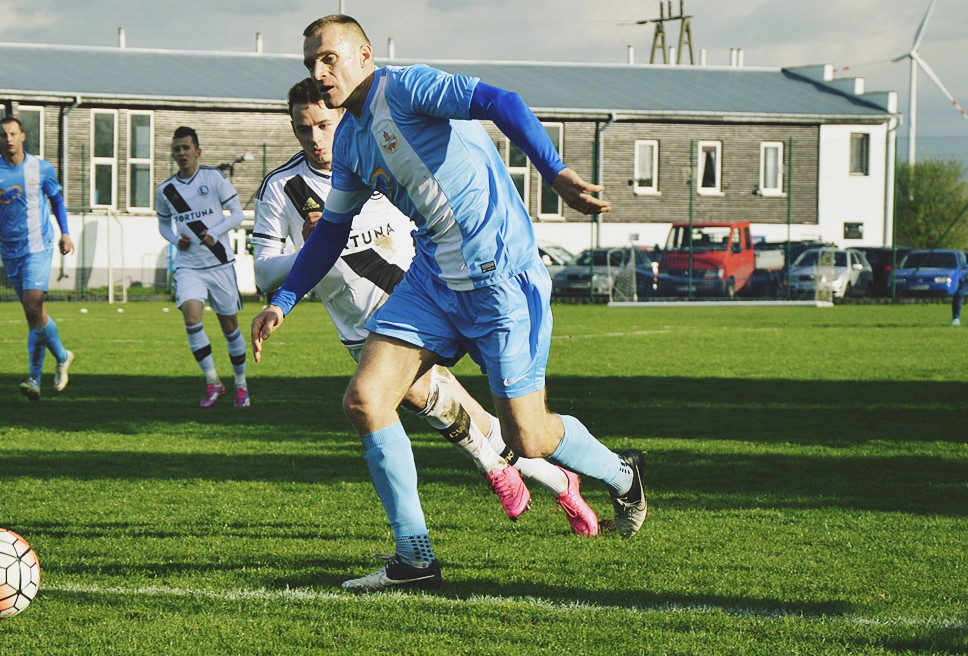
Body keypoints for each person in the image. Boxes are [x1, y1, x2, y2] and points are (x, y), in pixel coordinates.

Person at [252, 15, 648, 592]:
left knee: (528, 439)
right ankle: (415, 559)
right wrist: (283, 300)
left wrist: (554, 169)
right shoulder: (355, 142)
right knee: (366, 399)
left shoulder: (406, 88)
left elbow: (498, 100)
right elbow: (331, 232)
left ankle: (622, 475)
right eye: (311, 62)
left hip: (501, 283)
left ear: (364, 54)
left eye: (329, 58)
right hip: (434, 281)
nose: (320, 71)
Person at [252, 78, 598, 535]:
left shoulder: (377, 162)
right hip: (358, 327)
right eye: (303, 129)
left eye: (323, 125)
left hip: (414, 311)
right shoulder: (283, 187)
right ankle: (552, 478)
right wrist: (307, 254)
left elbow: (431, 228)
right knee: (464, 416)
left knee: (449, 410)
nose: (315, 139)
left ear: (342, 115)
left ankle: (496, 475)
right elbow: (262, 274)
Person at [157, 126, 250, 408]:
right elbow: (163, 224)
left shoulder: (214, 178)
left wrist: (215, 231)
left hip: (219, 261)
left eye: (186, 148)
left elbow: (237, 215)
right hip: (189, 266)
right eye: (177, 149)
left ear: (198, 152)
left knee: (229, 326)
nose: (182, 153)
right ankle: (213, 382)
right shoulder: (166, 190)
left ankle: (241, 385)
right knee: (191, 319)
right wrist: (175, 239)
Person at [1, 116, 76, 401]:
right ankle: (57, 360)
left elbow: (56, 200)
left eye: (12, 133)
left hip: (38, 247)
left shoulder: (40, 168)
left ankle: (36, 376)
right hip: (10, 251)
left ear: (23, 136)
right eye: (3, 134)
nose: (8, 138)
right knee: (34, 316)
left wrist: (65, 233)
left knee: (34, 305)